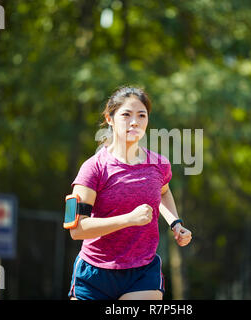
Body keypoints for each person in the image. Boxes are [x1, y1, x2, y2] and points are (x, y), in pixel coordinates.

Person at [66, 86, 192, 300]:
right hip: (94, 272)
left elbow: (163, 192)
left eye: (141, 115)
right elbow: (77, 229)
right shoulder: (93, 168)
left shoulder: (159, 164)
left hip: (142, 271)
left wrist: (176, 223)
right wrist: (129, 219)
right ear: (110, 118)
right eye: (126, 114)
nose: (134, 122)